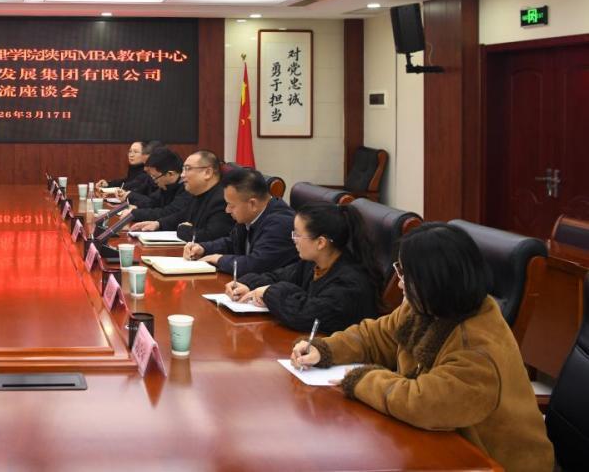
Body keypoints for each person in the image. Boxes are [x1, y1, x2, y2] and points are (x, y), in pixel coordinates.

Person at [291, 223, 554, 472]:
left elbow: (423, 402)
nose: (400, 283)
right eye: (400, 270)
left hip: (493, 462)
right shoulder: (427, 307)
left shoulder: (478, 347)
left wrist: (360, 379)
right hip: (443, 445)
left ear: (434, 282)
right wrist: (325, 349)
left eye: (407, 275)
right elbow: (377, 336)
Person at [226, 202, 381, 333]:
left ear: (321, 242)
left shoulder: (350, 283)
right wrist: (248, 284)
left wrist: (269, 292)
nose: (294, 239)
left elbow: (307, 314)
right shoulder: (314, 263)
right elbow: (279, 276)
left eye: (298, 235)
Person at [184, 167, 296, 274]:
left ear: (252, 204)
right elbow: (233, 243)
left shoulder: (280, 224)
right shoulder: (249, 216)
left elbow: (256, 265)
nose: (227, 210)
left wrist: (219, 259)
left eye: (231, 205)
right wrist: (203, 248)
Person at [136, 150, 233, 243]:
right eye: (183, 169)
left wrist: (183, 229)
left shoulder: (223, 199)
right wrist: (158, 224)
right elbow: (182, 215)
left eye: (188, 169)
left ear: (208, 173)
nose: (182, 175)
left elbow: (210, 237)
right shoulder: (198, 194)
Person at [124, 147, 190, 227]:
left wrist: (135, 213)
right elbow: (152, 201)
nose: (154, 180)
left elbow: (169, 212)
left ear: (170, 174)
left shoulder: (187, 188)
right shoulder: (167, 185)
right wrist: (136, 206)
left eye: (155, 177)